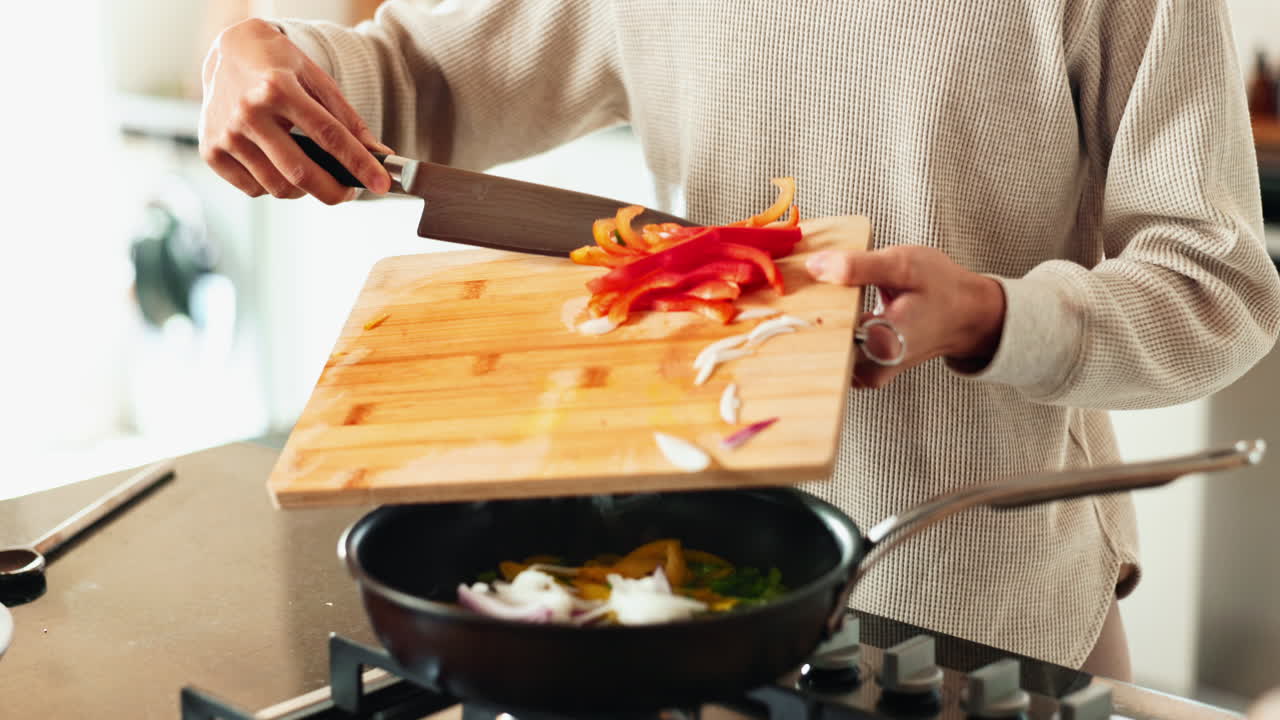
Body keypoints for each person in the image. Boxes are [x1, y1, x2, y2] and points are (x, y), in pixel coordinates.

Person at [198, 1, 1280, 678]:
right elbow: (418, 75)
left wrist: (995, 318)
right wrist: (262, 59)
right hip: (711, 598)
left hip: (995, 613)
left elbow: (1216, 287)